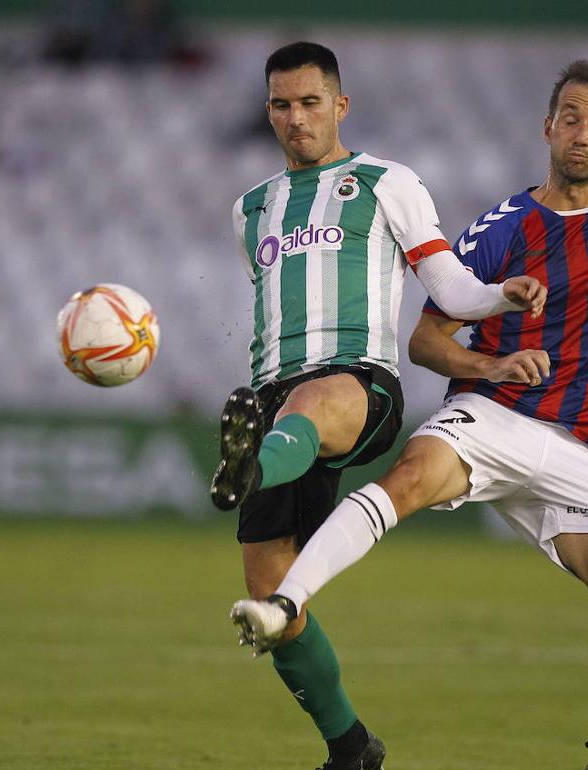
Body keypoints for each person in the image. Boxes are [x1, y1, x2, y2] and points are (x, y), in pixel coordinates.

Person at [230, 59, 588, 770]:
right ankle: (289, 601)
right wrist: (492, 366)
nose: (582, 133)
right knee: (408, 480)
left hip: (574, 450)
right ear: (548, 127)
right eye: (570, 117)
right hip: (488, 415)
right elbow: (425, 341)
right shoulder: (502, 229)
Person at [214, 41, 546, 770]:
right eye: (280, 104)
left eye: (309, 102)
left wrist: (497, 296)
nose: (295, 118)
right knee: (270, 601)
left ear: (341, 105)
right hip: (276, 399)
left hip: (358, 385)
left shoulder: (385, 181)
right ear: (266, 111)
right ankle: (351, 748)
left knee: (311, 398)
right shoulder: (252, 210)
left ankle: (248, 469)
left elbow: (450, 287)